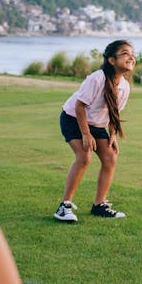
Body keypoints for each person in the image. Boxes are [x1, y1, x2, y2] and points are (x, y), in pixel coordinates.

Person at [54, 40, 135, 222]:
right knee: (84, 157)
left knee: (110, 157)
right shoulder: (97, 78)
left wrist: (113, 135)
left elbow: (115, 112)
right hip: (73, 119)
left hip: (97, 125)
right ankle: (64, 206)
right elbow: (80, 105)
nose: (131, 57)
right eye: (124, 53)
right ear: (112, 60)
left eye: (132, 53)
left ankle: (99, 205)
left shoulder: (124, 86)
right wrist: (85, 134)